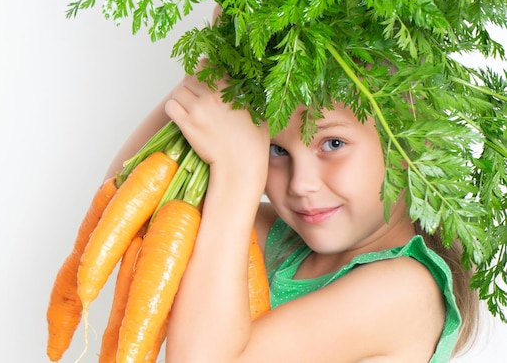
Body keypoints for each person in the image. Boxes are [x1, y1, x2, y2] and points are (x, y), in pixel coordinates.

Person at [103, 60, 479, 362]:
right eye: (275, 150)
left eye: (332, 143)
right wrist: (216, 66)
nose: (301, 183)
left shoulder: (404, 290)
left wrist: (237, 174)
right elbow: (134, 203)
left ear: (410, 144)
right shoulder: (282, 242)